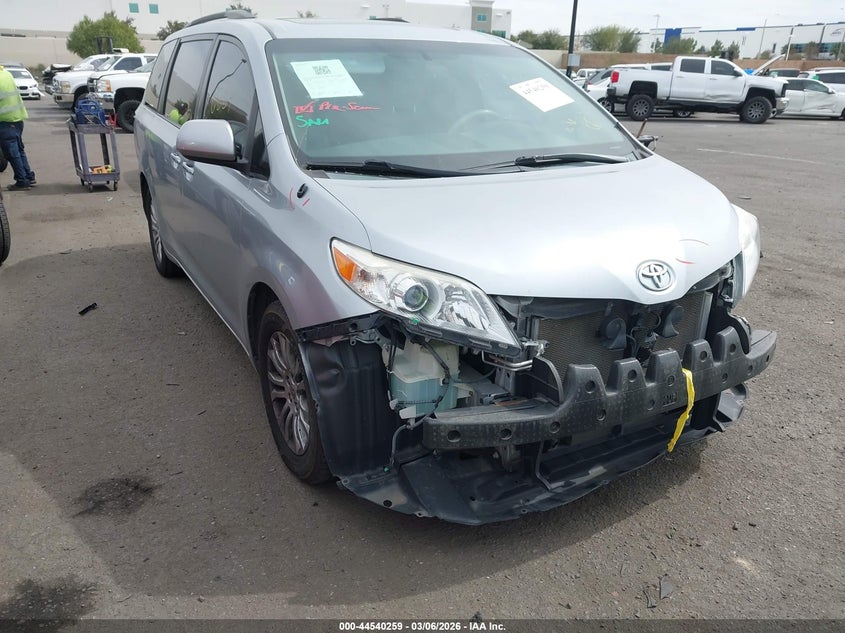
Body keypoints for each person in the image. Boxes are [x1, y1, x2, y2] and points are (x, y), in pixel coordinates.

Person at [0, 64, 36, 190]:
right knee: (19, 150)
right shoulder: (6, 74)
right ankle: (28, 176)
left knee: (12, 153)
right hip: (17, 119)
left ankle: (22, 180)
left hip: (5, 120)